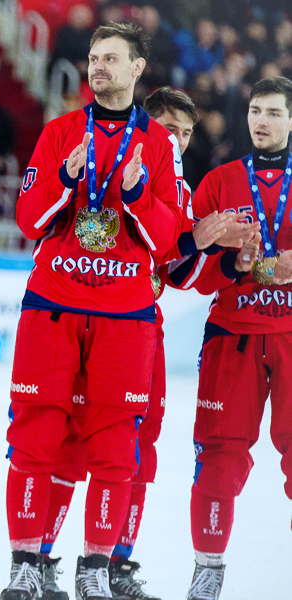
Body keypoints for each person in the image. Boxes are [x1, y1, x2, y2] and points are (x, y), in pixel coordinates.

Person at [33, 87, 258, 600]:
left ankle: (114, 564)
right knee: (68, 441)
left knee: (137, 450)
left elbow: (182, 274)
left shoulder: (180, 188)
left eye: (185, 132)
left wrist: (227, 261)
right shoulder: (111, 174)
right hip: (83, 318)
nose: (176, 139)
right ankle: (40, 559)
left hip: (140, 328)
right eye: (168, 128)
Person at [5, 23, 185, 600]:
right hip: (53, 305)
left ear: (137, 68)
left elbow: (169, 244)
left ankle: (95, 570)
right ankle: (27, 565)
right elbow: (28, 220)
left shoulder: (158, 145)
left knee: (114, 446)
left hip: (124, 317)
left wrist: (136, 196)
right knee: (36, 436)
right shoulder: (59, 133)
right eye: (92, 57)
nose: (97, 66)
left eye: (110, 58)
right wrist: (65, 179)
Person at [177, 76, 292, 600]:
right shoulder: (220, 181)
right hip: (234, 334)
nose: (260, 121)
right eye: (254, 110)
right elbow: (191, 276)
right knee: (219, 457)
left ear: (290, 120)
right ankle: (208, 573)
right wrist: (229, 260)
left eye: (272, 112)